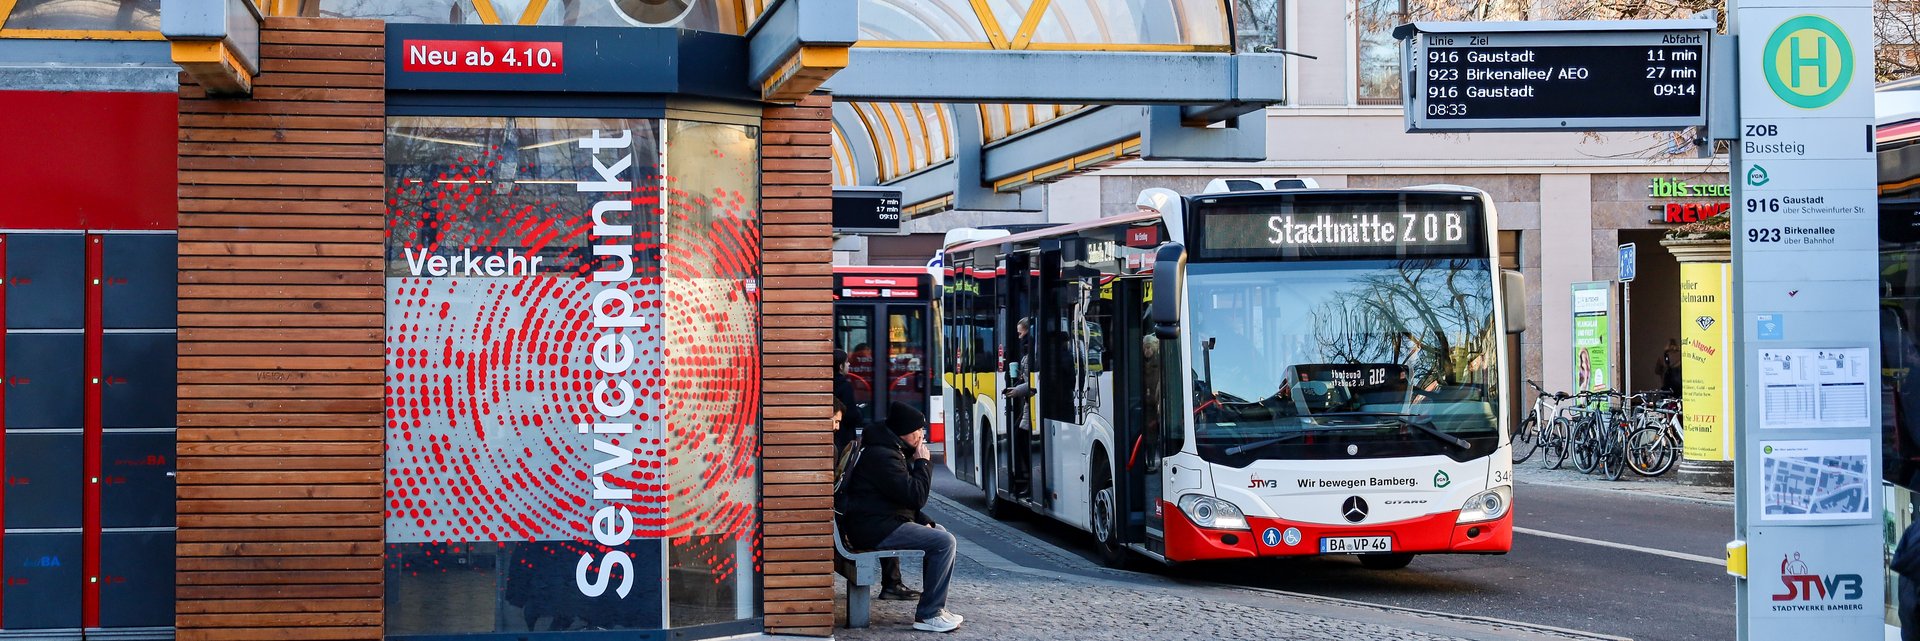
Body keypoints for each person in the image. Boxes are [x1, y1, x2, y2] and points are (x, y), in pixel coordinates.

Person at [836, 401, 964, 633]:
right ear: (905, 432)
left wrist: (922, 519)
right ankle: (928, 615)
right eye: (919, 430)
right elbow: (915, 496)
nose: (922, 435)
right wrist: (923, 463)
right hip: (872, 528)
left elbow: (898, 499)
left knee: (940, 533)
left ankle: (935, 608)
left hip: (876, 522)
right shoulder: (884, 456)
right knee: (944, 542)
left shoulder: (886, 449)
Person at [832, 350, 916, 600]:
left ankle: (893, 582)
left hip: (850, 518)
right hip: (857, 524)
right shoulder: (848, 450)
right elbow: (913, 495)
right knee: (892, 519)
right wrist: (923, 464)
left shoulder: (851, 453)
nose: (849, 366)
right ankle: (893, 583)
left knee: (888, 515)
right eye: (847, 362)